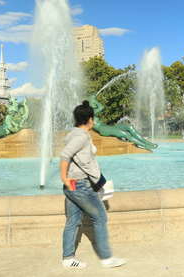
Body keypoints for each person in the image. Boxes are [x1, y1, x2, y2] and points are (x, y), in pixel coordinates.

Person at [59, 100, 126, 269]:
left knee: (73, 220)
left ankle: (68, 258)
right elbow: (65, 155)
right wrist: (64, 178)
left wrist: (67, 181)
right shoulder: (81, 136)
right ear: (89, 119)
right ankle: (106, 258)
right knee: (100, 217)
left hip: (73, 185)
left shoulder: (74, 134)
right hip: (80, 184)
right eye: (93, 118)